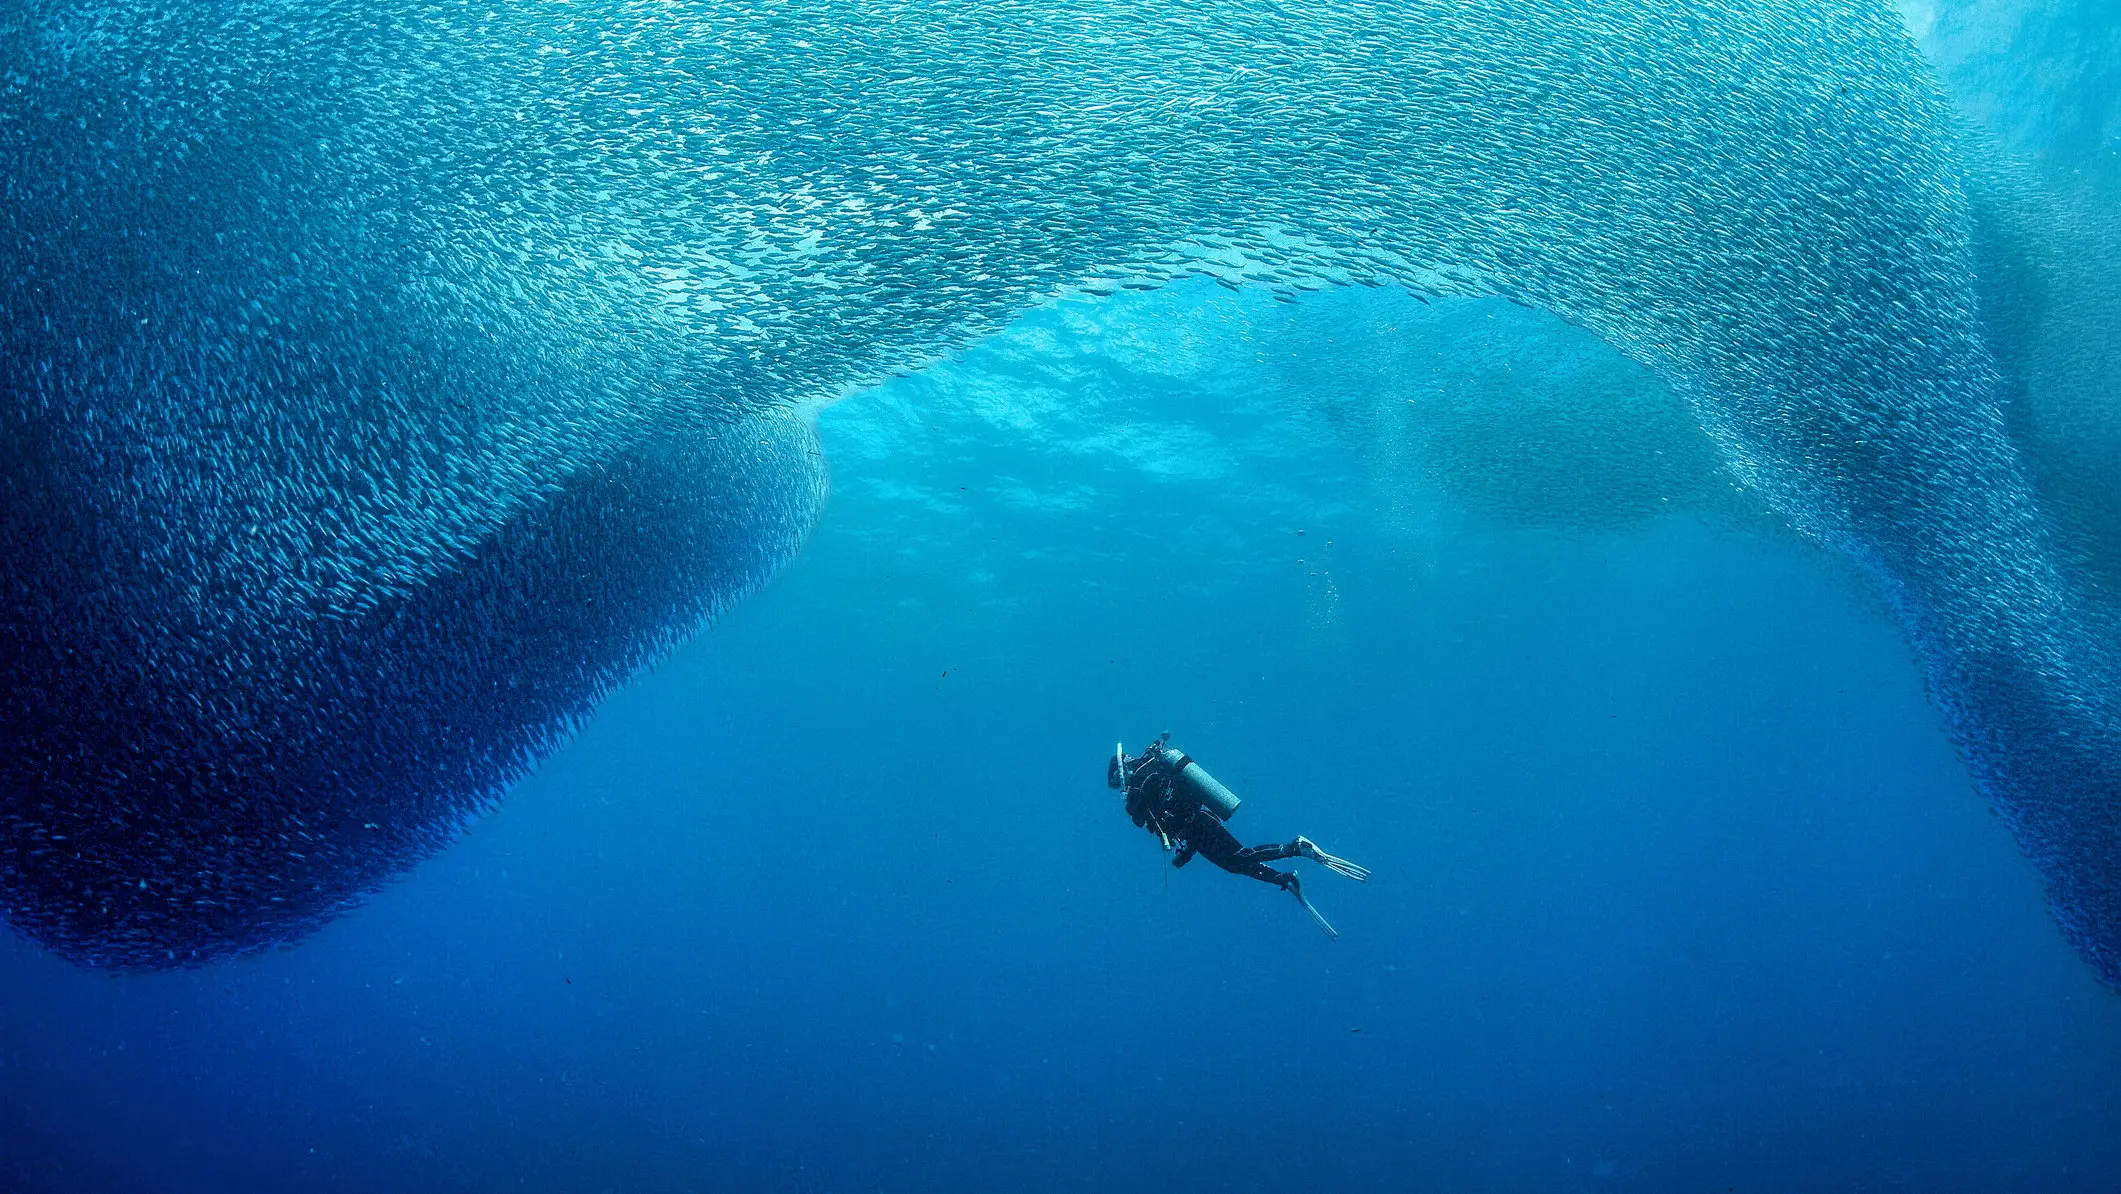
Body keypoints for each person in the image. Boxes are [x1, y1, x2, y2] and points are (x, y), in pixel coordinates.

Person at [1107, 733, 1369, 936]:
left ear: (1123, 772)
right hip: (1194, 830)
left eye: (1119, 783)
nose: (1122, 789)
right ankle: (1285, 879)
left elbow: (1152, 817)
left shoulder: (1143, 786)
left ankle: (1296, 847)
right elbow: (1170, 819)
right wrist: (1184, 855)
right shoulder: (1149, 783)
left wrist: (1133, 800)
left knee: (1241, 856)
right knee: (1234, 865)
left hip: (1199, 822)